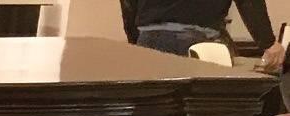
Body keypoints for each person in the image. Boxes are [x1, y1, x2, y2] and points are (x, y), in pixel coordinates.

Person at [121, 0, 285, 69]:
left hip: (151, 37)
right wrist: (268, 42)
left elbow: (128, 4)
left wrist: (136, 42)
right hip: (203, 43)